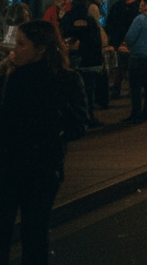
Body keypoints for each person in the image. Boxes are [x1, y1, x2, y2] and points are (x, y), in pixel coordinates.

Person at [0, 21, 79, 265]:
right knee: (34, 234)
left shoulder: (24, 79)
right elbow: (77, 125)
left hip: (17, 166)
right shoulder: (12, 75)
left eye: (22, 44)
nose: (15, 50)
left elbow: (77, 124)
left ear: (40, 49)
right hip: (41, 167)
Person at [59, 0, 104, 128]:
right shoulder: (90, 20)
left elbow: (64, 35)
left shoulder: (68, 18)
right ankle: (88, 116)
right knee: (89, 90)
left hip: (73, 57)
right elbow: (96, 41)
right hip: (90, 60)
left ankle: (75, 118)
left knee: (73, 90)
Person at [105, 0, 139, 99]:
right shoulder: (117, 6)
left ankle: (133, 89)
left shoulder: (138, 6)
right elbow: (110, 23)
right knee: (120, 66)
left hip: (134, 41)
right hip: (119, 41)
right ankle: (117, 88)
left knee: (131, 67)